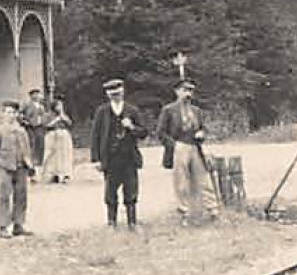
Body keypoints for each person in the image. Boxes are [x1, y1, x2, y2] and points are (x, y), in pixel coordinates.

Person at [158, 78, 220, 224]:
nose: (188, 94)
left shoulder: (196, 111)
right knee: (181, 183)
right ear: (177, 91)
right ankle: (183, 214)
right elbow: (160, 133)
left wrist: (202, 133)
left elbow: (203, 128)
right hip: (179, 148)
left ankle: (213, 211)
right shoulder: (168, 110)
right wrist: (174, 146)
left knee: (204, 179)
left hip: (195, 148)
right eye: (185, 90)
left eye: (191, 90)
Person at [89, 77, 147, 230]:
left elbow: (144, 133)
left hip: (129, 157)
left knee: (131, 190)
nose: (116, 96)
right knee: (110, 191)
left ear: (123, 92)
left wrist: (132, 127)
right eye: (112, 94)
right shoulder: (102, 112)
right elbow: (95, 135)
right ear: (108, 95)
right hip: (110, 158)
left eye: (118, 93)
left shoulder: (132, 110)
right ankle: (111, 222)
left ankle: (132, 222)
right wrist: (96, 159)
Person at [0, 100, 34, 239]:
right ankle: (3, 226)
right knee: (4, 197)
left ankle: (18, 224)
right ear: (2, 114)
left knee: (21, 197)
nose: (11, 115)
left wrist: (30, 166)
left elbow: (27, 149)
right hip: (6, 167)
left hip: (21, 167)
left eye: (13, 112)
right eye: (8, 112)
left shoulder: (21, 131)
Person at [41, 97, 75, 183]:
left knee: (64, 155)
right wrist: (56, 120)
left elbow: (69, 124)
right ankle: (52, 174)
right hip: (52, 135)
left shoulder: (63, 115)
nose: (60, 107)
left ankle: (65, 174)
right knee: (52, 155)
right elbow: (46, 125)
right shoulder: (47, 115)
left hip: (63, 136)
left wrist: (62, 116)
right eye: (58, 105)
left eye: (61, 105)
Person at [19, 89, 50, 172]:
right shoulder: (27, 105)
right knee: (31, 144)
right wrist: (25, 122)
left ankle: (38, 163)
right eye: (34, 94)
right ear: (31, 96)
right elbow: (20, 114)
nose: (36, 96)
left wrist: (44, 122)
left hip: (40, 127)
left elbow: (44, 116)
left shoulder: (41, 106)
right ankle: (30, 163)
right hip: (30, 127)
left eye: (38, 94)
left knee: (40, 144)